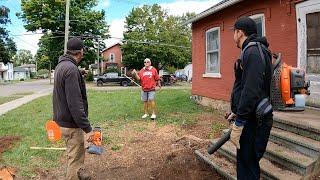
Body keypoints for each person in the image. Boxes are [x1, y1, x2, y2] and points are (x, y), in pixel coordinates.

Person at [229, 16, 273, 179]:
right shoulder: (254, 50)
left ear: (240, 32)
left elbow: (251, 91)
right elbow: (248, 87)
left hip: (254, 121)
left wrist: (239, 123)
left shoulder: (253, 52)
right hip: (251, 117)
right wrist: (236, 112)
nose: (233, 35)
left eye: (234, 32)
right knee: (247, 163)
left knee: (248, 167)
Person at [53, 37, 93, 180]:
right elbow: (75, 104)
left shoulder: (61, 66)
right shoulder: (71, 69)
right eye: (83, 51)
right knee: (74, 160)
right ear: (80, 52)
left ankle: (79, 174)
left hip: (61, 121)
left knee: (73, 154)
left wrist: (79, 74)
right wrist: (87, 128)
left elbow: (66, 82)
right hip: (71, 124)